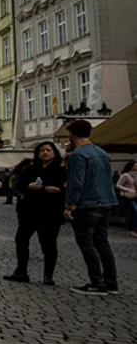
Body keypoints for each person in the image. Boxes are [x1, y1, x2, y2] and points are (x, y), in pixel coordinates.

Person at [64, 119, 118, 296]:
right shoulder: (102, 153)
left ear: (71, 135)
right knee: (102, 242)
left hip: (87, 204)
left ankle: (97, 282)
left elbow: (76, 182)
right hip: (107, 202)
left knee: (87, 243)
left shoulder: (78, 155)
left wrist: (70, 204)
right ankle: (111, 282)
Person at [2, 142, 67, 285]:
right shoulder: (29, 169)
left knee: (49, 244)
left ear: (54, 153)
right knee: (21, 240)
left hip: (50, 211)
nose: (45, 153)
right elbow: (18, 186)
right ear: (37, 153)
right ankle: (21, 271)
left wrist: (58, 190)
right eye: (42, 150)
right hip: (29, 210)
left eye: (48, 150)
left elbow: (67, 189)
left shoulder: (61, 170)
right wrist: (28, 186)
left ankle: (48, 275)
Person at [115, 161, 137, 238]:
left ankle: (129, 230)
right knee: (135, 211)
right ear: (131, 167)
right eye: (135, 166)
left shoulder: (136, 176)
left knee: (131, 213)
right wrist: (128, 190)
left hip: (135, 196)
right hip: (128, 196)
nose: (136, 168)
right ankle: (133, 230)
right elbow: (118, 185)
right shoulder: (125, 175)